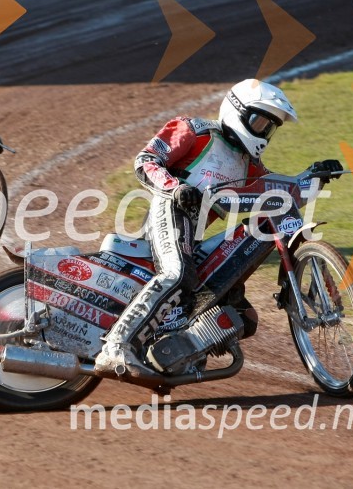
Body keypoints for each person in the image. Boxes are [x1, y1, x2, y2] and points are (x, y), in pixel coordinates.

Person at [95, 79, 336, 377]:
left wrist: (314, 176)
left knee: (243, 316)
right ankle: (115, 347)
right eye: (260, 122)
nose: (264, 133)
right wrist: (175, 188)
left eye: (270, 127)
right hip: (170, 207)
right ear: (237, 111)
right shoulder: (194, 130)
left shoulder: (249, 164)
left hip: (193, 238)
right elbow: (146, 161)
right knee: (177, 273)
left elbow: (280, 192)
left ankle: (180, 348)